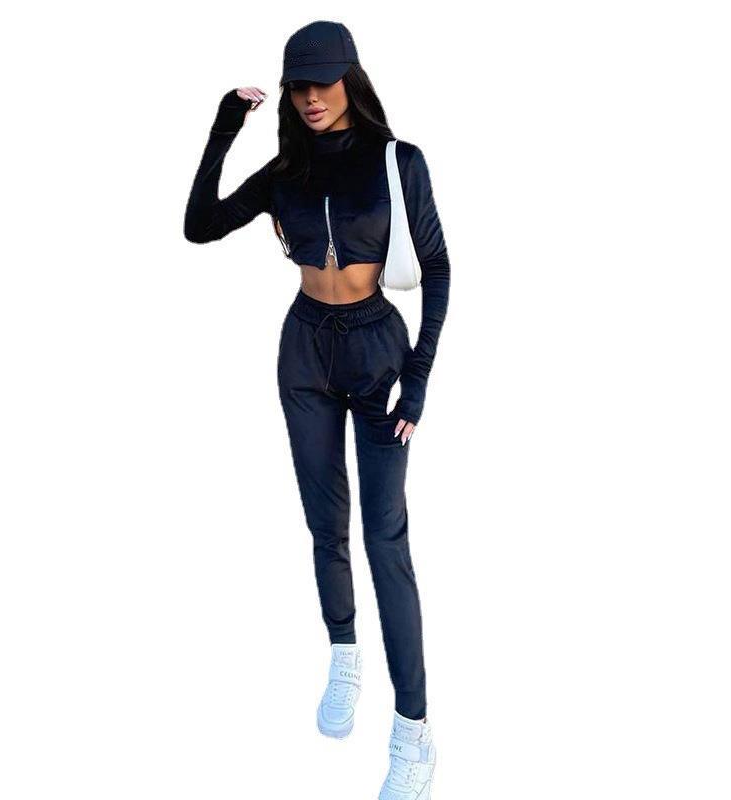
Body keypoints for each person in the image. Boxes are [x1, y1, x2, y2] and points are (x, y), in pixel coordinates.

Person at [183, 20, 449, 800]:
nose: (309, 97)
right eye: (298, 86)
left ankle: (414, 733)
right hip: (304, 351)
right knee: (324, 521)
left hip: (377, 352)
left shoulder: (398, 161)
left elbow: (437, 265)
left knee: (385, 538)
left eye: (322, 83)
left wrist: (419, 376)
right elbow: (199, 226)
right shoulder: (286, 170)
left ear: (350, 80)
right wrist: (223, 128)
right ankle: (343, 652)